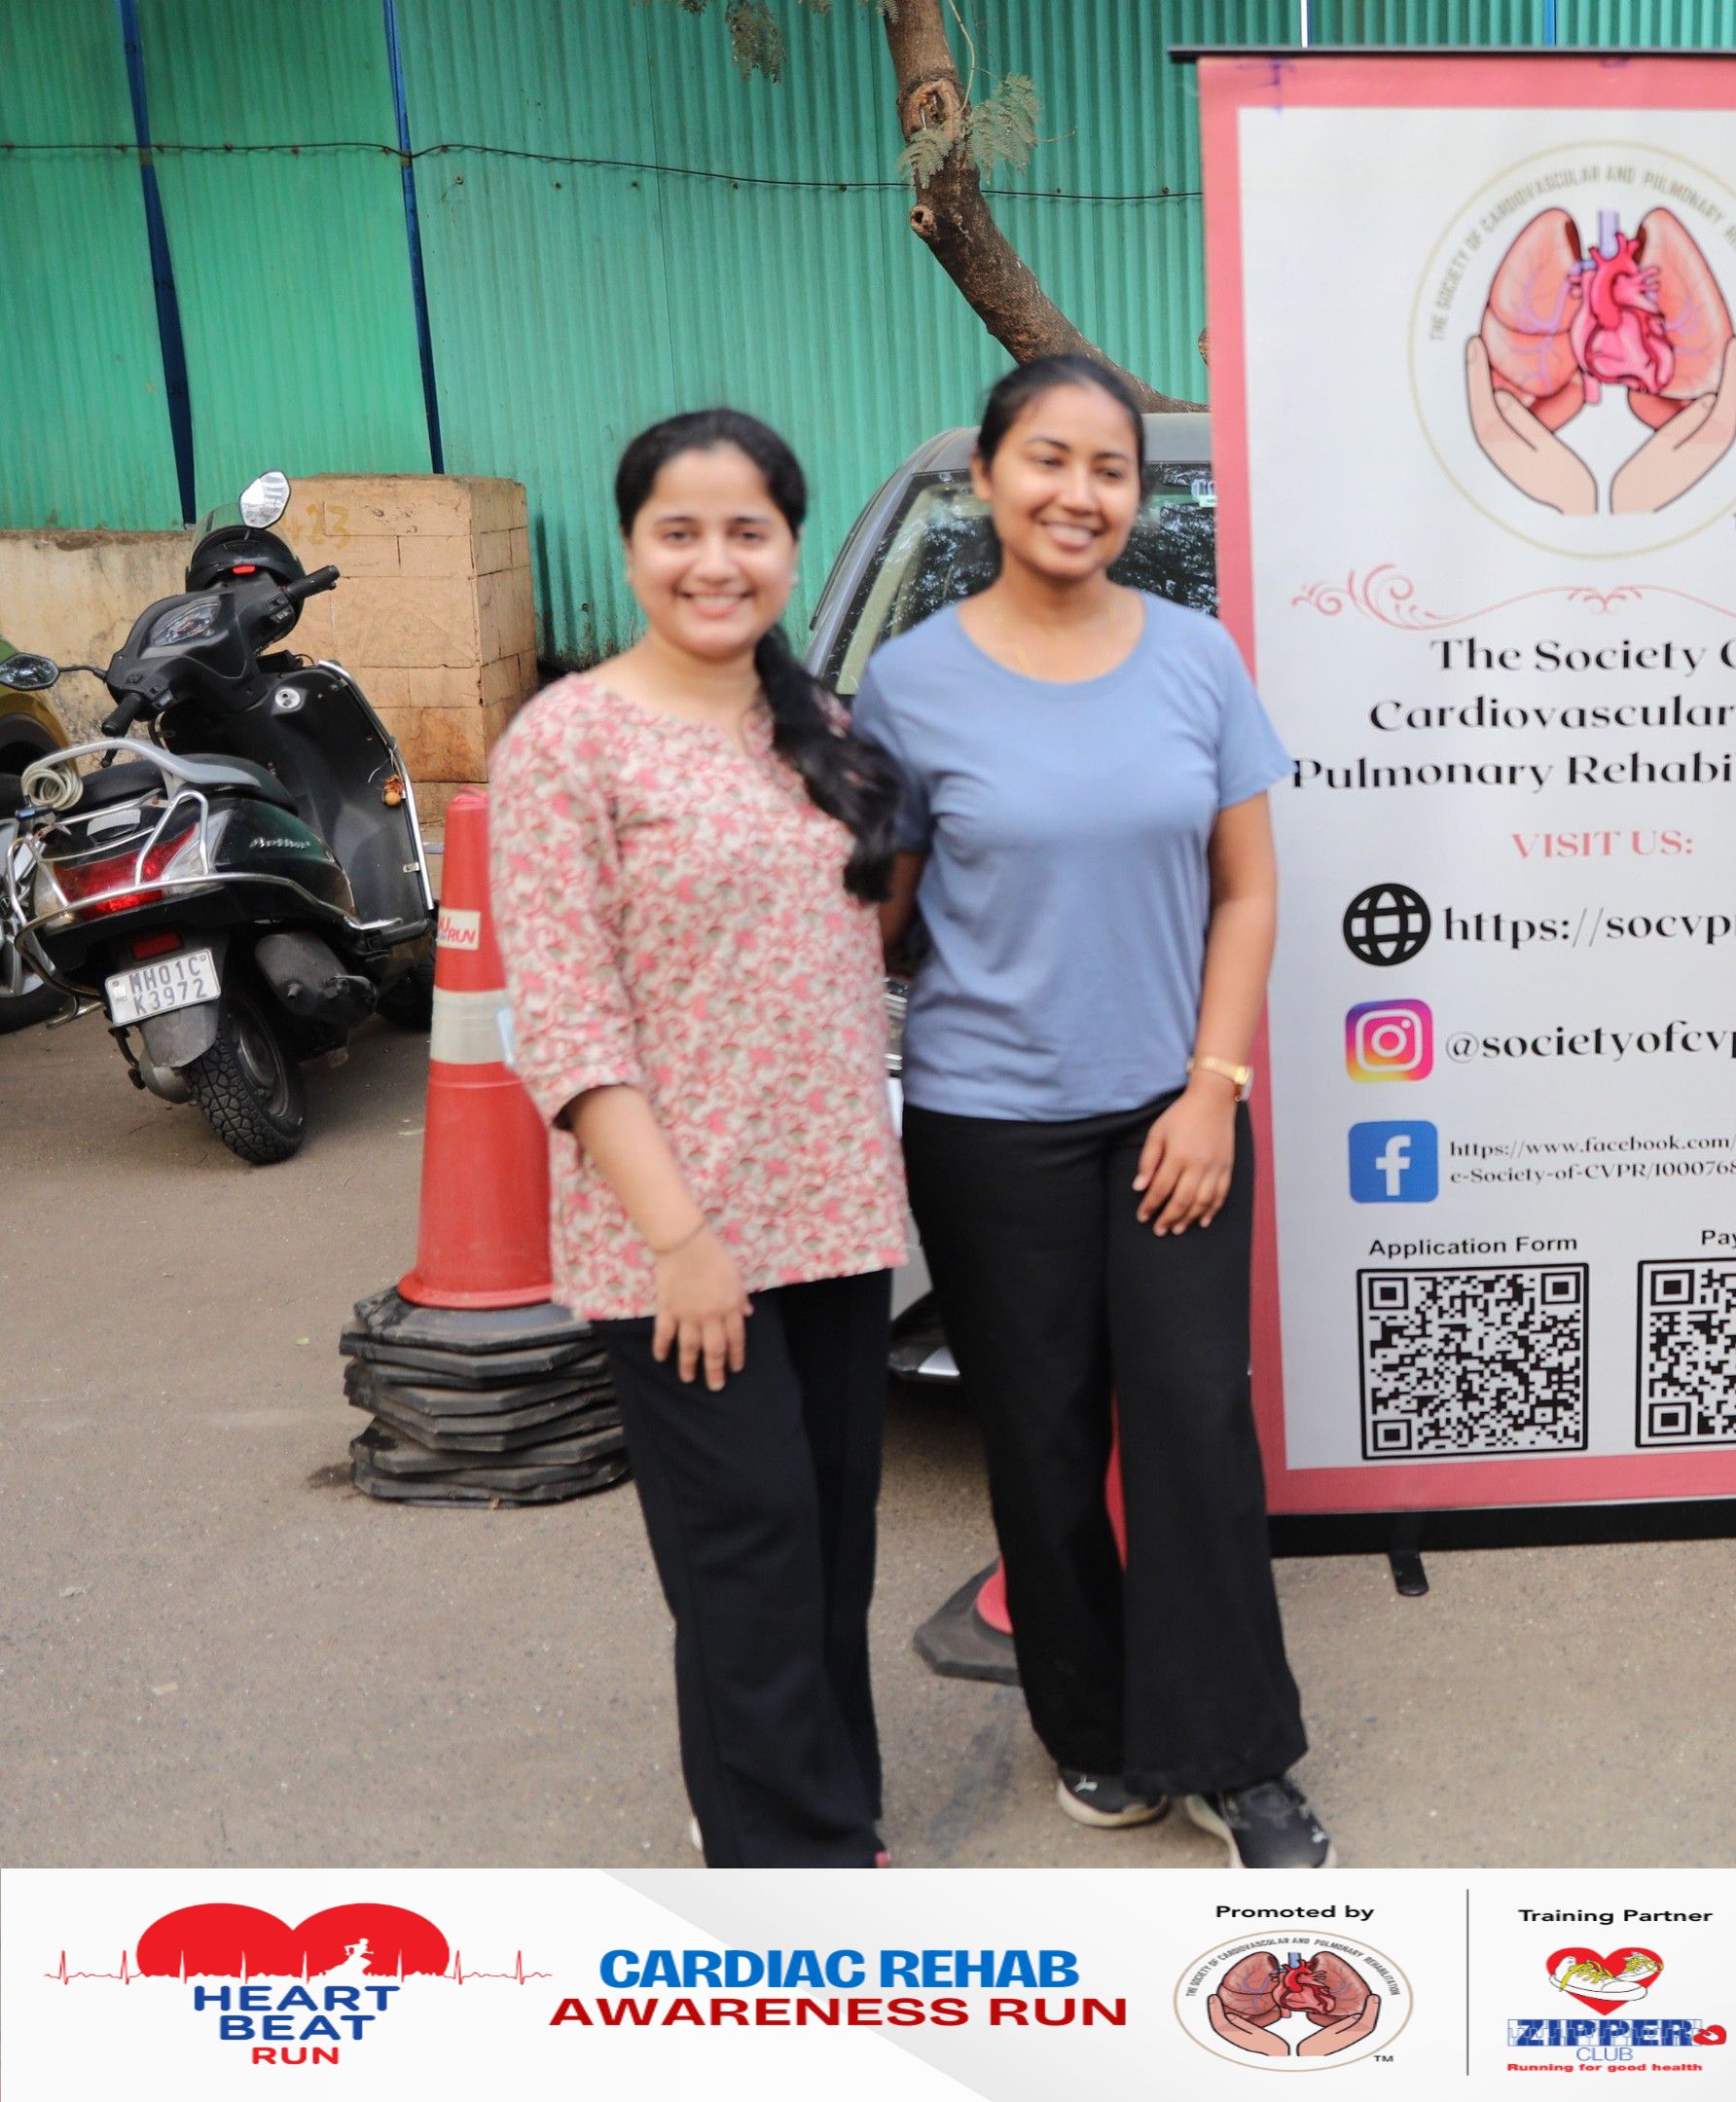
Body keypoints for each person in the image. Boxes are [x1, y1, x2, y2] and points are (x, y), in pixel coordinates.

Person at [851, 351, 1329, 1867]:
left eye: (1109, 468)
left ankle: (1238, 1758)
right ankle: (1095, 1731)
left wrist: (1212, 1089)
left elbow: (1248, 890)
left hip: (1171, 1113)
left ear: (1137, 495)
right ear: (991, 479)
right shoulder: (911, 684)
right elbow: (880, 918)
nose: (1079, 491)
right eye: (1048, 460)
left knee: (1193, 1422)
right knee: (1040, 1440)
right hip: (986, 1124)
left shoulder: (1196, 658)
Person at [491, 410, 911, 1867]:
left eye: (748, 531)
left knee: (831, 1543)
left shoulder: (825, 734)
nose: (714, 562)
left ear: (790, 547)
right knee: (747, 1549)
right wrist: (679, 1240)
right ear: (632, 550)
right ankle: (787, 1866)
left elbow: (863, 942)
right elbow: (566, 1022)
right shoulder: (567, 743)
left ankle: (824, 1806)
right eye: (680, 532)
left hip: (835, 1210)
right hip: (675, 1237)